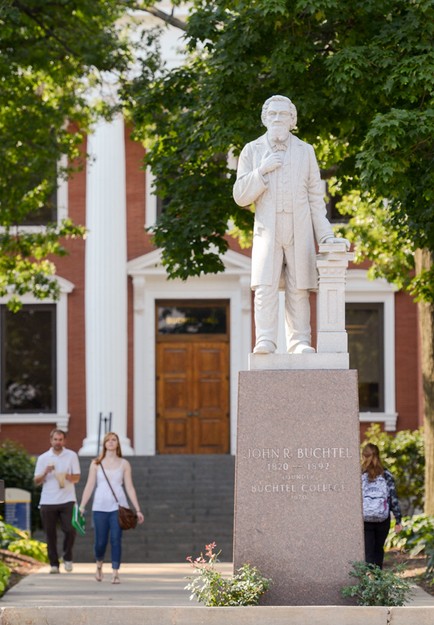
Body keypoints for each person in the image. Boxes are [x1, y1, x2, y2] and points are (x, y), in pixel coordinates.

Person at [233, 94, 349, 354]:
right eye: (272, 114)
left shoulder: (305, 151)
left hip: (300, 228)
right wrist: (261, 171)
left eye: (282, 114)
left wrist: (326, 236)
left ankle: (299, 341)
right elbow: (240, 196)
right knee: (265, 286)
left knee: (300, 287)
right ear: (264, 118)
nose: (277, 118)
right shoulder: (252, 150)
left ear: (292, 120)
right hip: (268, 230)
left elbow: (315, 198)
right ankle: (265, 339)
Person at [79, 432, 144, 584]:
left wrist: (138, 509)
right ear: (104, 444)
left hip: (118, 507)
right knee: (100, 542)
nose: (110, 442)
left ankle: (115, 572)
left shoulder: (124, 464)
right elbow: (89, 485)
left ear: (118, 444)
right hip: (99, 507)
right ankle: (99, 565)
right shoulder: (95, 463)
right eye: (108, 440)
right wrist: (82, 506)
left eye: (114, 440)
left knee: (116, 539)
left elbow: (129, 487)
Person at [34, 428, 81, 574]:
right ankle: (54, 564)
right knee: (50, 534)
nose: (58, 442)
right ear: (51, 440)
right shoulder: (43, 458)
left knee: (70, 530)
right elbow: (36, 481)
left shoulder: (71, 455)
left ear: (64, 441)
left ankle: (67, 558)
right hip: (48, 500)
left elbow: (77, 478)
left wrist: (67, 476)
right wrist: (45, 472)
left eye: (60, 439)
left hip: (67, 499)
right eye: (55, 439)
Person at [361, 443, 403, 568]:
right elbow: (393, 498)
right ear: (378, 456)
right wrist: (398, 520)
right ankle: (377, 580)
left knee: (368, 552)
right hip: (382, 518)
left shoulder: (359, 474)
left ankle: (368, 581)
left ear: (363, 456)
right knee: (378, 550)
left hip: (365, 518)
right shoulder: (386, 474)